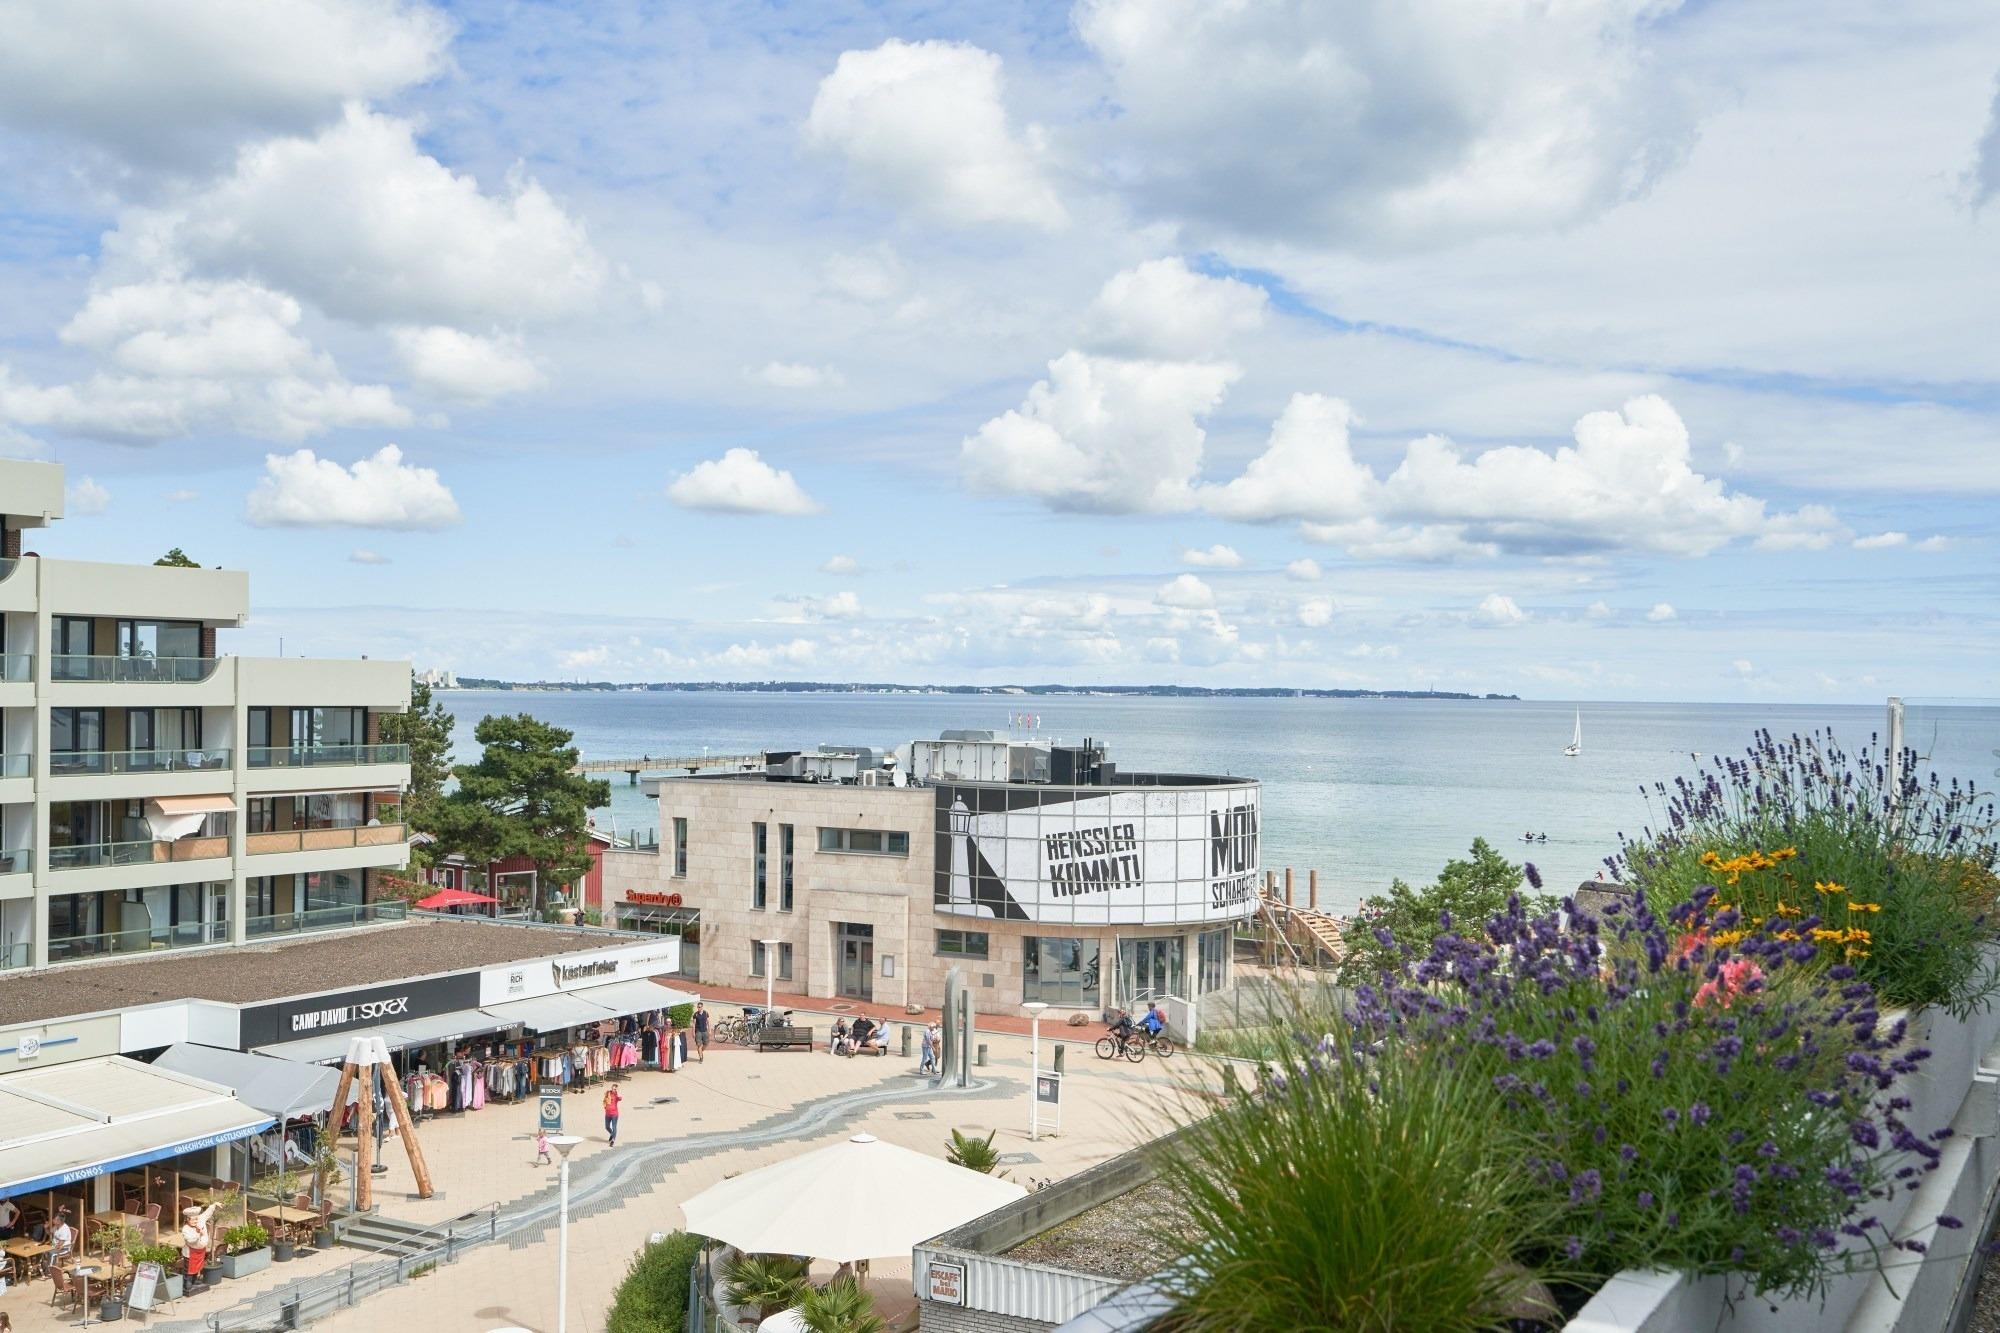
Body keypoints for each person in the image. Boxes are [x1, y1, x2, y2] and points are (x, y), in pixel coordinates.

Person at [180, 1204, 219, 1290]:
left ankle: (194, 1281)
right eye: (193, 1219)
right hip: (190, 1253)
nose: (195, 1221)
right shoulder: (185, 1229)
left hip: (200, 1251)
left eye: (196, 1219)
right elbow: (190, 1240)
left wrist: (214, 1205)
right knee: (189, 1269)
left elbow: (207, 1213)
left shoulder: (200, 1220)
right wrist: (198, 1234)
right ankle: (187, 1283)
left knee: (197, 1267)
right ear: (188, 1219)